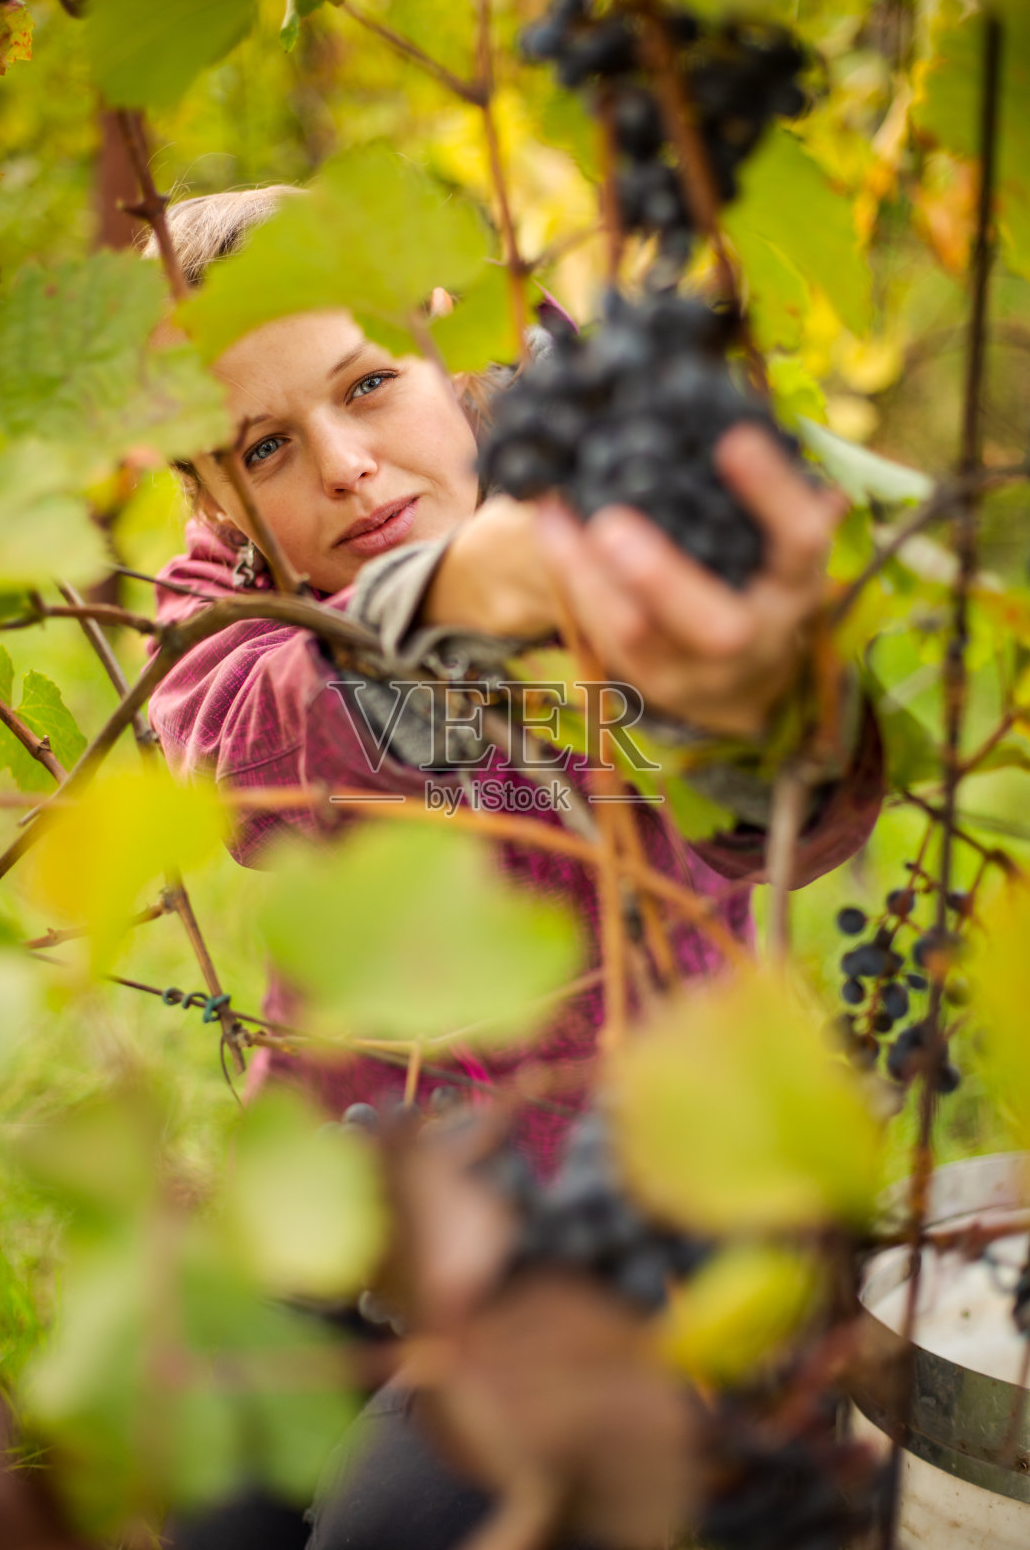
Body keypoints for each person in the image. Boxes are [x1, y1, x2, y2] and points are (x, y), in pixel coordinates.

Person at [144, 187, 883, 1549]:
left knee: (396, 1533)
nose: (346, 466)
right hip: (355, 1181)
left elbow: (805, 815)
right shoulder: (229, 590)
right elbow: (232, 740)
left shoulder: (634, 511)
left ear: (452, 344)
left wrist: (752, 713)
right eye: (267, 446)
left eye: (368, 385)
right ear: (217, 493)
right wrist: (442, 605)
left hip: (631, 1205)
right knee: (207, 1499)